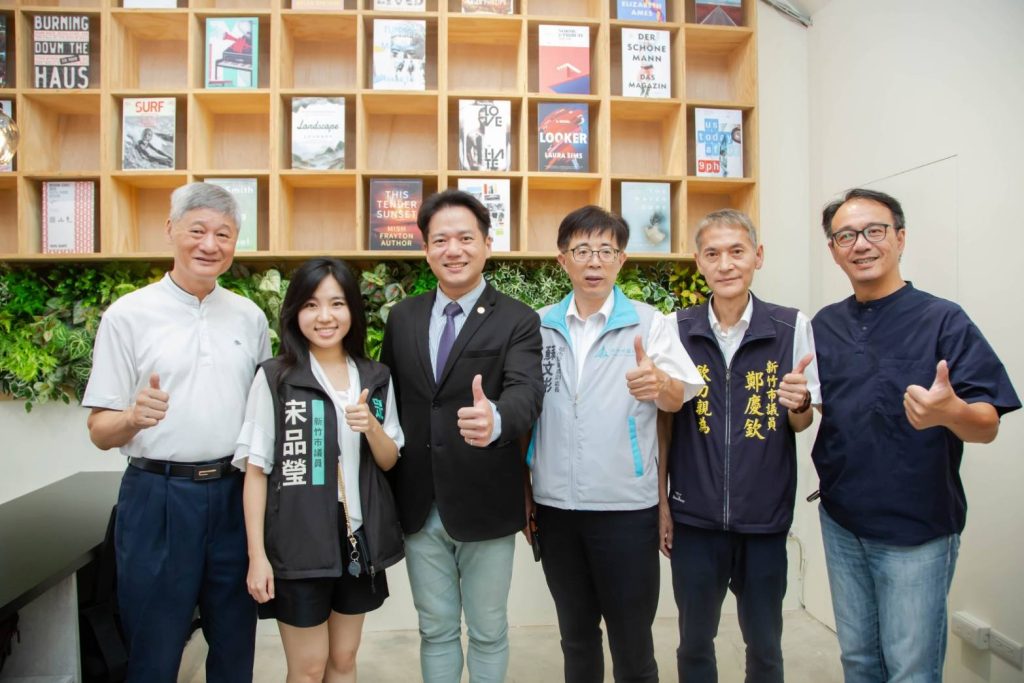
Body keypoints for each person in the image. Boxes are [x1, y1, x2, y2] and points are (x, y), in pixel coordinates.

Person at [812, 188, 1020, 682]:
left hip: (917, 530)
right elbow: (829, 407)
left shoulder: (943, 319)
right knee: (858, 660)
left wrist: (951, 413)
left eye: (874, 230)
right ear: (834, 250)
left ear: (900, 238)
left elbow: (987, 424)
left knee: (912, 671)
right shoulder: (825, 325)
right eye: (846, 236)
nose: (861, 244)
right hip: (842, 521)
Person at [83, 182, 271, 682]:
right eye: (197, 231)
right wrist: (131, 417)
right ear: (170, 230)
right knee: (153, 648)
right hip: (157, 497)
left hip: (234, 496)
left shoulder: (250, 317)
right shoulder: (127, 315)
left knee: (235, 646)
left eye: (223, 234)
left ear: (235, 242)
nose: (210, 244)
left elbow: (264, 416)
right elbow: (99, 430)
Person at [526, 205, 704, 683]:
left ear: (621, 260)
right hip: (556, 509)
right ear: (562, 260)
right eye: (582, 250)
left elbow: (679, 396)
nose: (594, 261)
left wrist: (660, 383)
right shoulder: (538, 326)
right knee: (576, 638)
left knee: (632, 643)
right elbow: (525, 413)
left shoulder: (649, 323)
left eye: (606, 251)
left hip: (626, 510)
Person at [380, 189, 544, 683]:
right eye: (440, 240)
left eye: (466, 238)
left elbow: (526, 393)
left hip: (485, 500)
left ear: (487, 244)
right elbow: (388, 399)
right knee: (435, 630)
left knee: (489, 630)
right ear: (426, 248)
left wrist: (497, 418)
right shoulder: (403, 317)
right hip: (419, 502)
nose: (453, 250)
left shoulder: (517, 319)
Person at [661, 209, 820, 683]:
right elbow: (664, 423)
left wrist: (799, 403)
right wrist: (662, 503)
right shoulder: (675, 329)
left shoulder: (791, 327)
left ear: (758, 256)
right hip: (694, 519)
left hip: (764, 519)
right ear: (698, 262)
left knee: (766, 645)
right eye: (712, 254)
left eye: (737, 251)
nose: (726, 264)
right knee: (693, 643)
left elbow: (802, 421)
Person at [234, 258, 404, 683]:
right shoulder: (276, 377)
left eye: (336, 303)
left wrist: (371, 427)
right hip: (297, 545)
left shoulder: (375, 376)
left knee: (343, 660)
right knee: (308, 668)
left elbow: (389, 459)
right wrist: (257, 557)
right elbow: (255, 470)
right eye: (311, 305)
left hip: (356, 543)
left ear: (352, 311)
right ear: (295, 313)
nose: (325, 316)